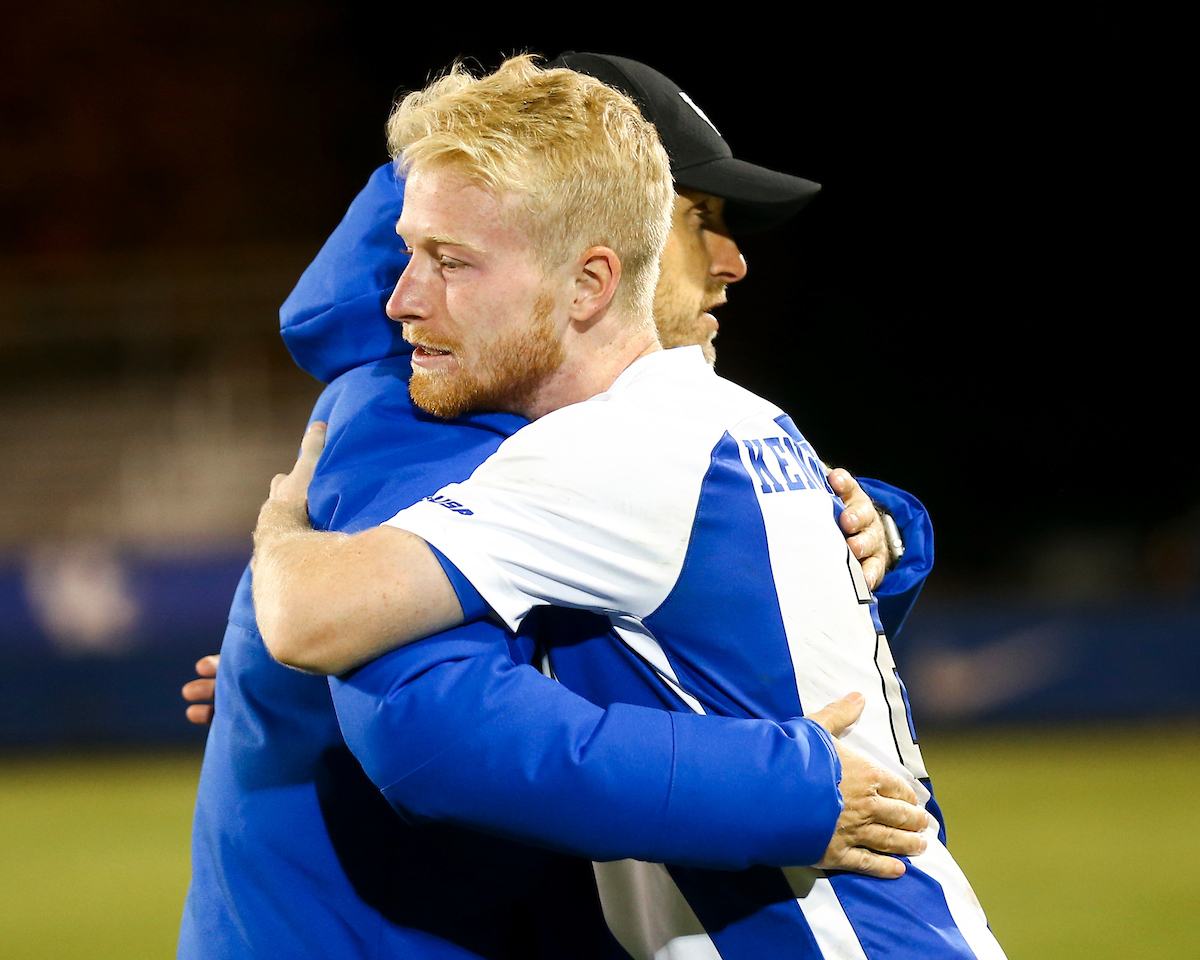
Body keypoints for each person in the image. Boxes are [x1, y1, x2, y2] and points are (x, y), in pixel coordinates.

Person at [180, 55, 934, 960]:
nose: (732, 262)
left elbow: (714, 642)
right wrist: (787, 789)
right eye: (699, 217)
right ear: (593, 239)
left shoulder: (565, 410)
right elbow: (426, 718)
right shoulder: (423, 405)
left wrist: (879, 530)